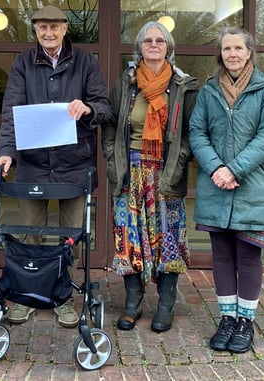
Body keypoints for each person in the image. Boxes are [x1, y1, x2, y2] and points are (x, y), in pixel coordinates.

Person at [0, 4, 111, 328]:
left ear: (65, 28)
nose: (48, 33)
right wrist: (7, 152)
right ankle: (28, 297)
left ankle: (63, 298)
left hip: (74, 166)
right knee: (30, 233)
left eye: (54, 27)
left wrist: (86, 108)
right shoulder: (22, 63)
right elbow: (12, 113)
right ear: (35, 30)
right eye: (42, 27)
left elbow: (104, 107)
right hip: (33, 165)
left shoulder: (86, 62)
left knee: (70, 237)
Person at [189, 26, 264, 354]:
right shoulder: (209, 90)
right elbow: (197, 132)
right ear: (221, 54)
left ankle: (246, 322)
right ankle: (227, 318)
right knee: (222, 255)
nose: (232, 54)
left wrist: (234, 169)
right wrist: (217, 168)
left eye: (238, 48)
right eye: (226, 49)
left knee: (248, 254)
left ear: (249, 52)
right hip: (216, 186)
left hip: (251, 186)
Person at [102, 21, 198, 333]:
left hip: (165, 171)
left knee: (167, 238)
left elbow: (189, 133)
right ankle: (133, 302)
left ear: (168, 48)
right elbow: (112, 126)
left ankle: (166, 304)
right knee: (128, 238)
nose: (153, 45)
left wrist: (179, 161)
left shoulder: (183, 86)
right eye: (147, 41)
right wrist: (112, 159)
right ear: (139, 47)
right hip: (130, 171)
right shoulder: (126, 84)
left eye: (159, 40)